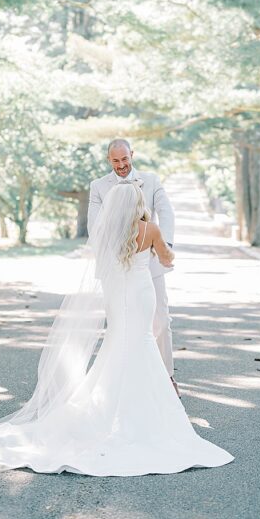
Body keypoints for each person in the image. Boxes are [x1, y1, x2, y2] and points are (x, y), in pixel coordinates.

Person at [0, 180, 233, 476]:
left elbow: (104, 263)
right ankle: (143, 416)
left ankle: (106, 410)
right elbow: (167, 258)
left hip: (116, 293)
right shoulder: (151, 230)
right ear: (138, 203)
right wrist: (166, 253)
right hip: (141, 292)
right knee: (142, 340)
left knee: (117, 341)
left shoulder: (108, 231)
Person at [88, 138, 178, 395]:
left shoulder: (151, 180)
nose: (121, 165)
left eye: (125, 159)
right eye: (115, 161)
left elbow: (166, 212)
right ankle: (118, 384)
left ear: (132, 155)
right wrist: (113, 251)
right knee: (118, 325)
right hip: (115, 267)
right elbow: (95, 225)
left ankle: (167, 377)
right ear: (109, 160)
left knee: (160, 322)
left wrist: (162, 245)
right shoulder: (98, 186)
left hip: (148, 263)